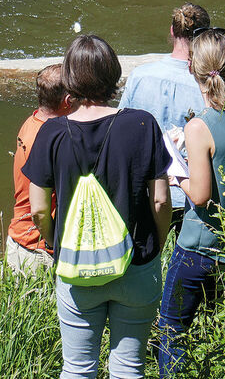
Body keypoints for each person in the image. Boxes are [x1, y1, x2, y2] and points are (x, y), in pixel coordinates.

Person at [26, 35, 172, 379]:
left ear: (70, 79)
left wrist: (54, 244)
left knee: (77, 369)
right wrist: (158, 245)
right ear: (114, 73)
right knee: (129, 368)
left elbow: (38, 211)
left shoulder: (50, 132)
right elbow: (161, 200)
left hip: (76, 266)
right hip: (136, 263)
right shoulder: (142, 124)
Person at [157, 28, 225, 377]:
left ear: (192, 69)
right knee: (223, 328)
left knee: (172, 328)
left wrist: (173, 170)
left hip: (199, 246)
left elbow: (199, 195)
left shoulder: (199, 125)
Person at [119, 2, 210, 214]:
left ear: (171, 31)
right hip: (188, 193)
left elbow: (122, 129)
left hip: (146, 190)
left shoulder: (139, 75)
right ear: (204, 37)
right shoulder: (206, 84)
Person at [6, 64, 69, 274]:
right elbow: (39, 210)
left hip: (17, 240)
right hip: (36, 250)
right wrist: (52, 244)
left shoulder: (31, 122)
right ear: (67, 101)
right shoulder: (50, 139)